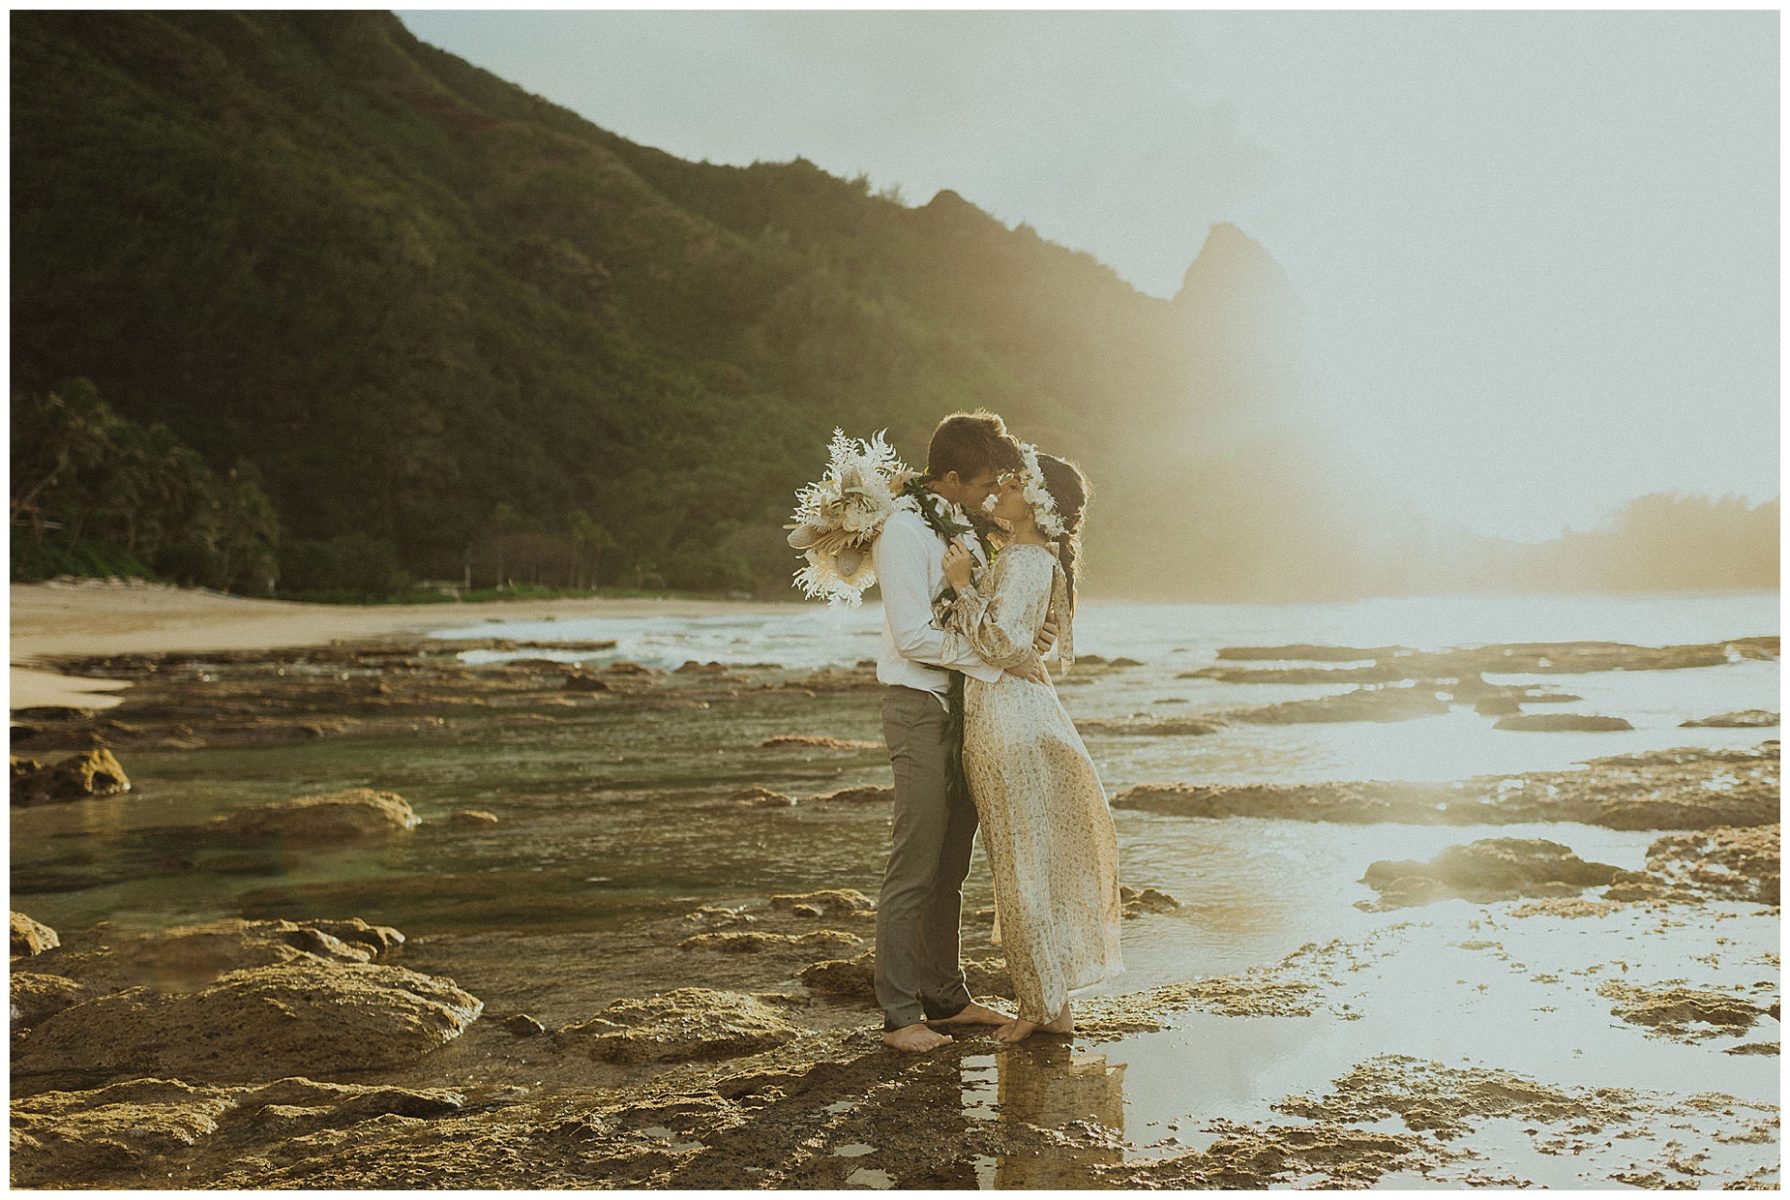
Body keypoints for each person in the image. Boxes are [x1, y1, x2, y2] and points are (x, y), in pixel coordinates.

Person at [870, 410, 1056, 1053]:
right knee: (915, 863)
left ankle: (946, 998)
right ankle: (899, 1016)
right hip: (919, 704)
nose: (990, 496)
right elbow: (913, 635)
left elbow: (988, 615)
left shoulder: (965, 530)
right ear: (949, 478)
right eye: (982, 485)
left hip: (970, 710)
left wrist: (1027, 638)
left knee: (951, 865)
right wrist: (1000, 662)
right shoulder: (901, 533)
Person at [939, 445, 1124, 1044]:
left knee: (1021, 863)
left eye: (1015, 484)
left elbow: (997, 643)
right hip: (1016, 716)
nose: (1002, 491)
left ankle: (1037, 1004)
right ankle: (1055, 1004)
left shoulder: (1024, 560)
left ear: (1039, 503)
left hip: (1004, 722)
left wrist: (963, 586)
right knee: (1033, 860)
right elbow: (1018, 645)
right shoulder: (1027, 556)